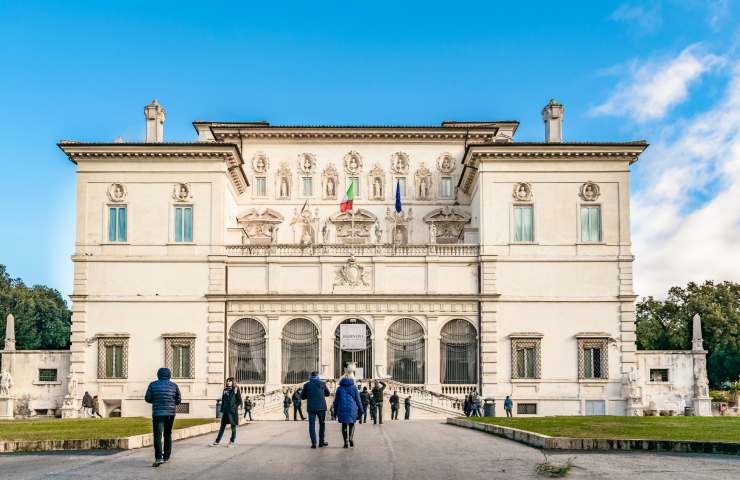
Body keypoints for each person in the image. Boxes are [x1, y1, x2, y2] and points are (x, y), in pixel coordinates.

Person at [144, 368, 181, 468]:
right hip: (170, 413)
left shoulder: (152, 384)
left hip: (158, 413)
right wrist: (171, 403)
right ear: (169, 375)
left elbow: (147, 398)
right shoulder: (174, 385)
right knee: (168, 434)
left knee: (157, 436)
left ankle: (158, 458)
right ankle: (166, 457)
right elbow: (178, 400)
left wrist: (155, 401)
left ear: (158, 375)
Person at [301, 371, 331, 449]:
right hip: (321, 407)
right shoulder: (322, 383)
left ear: (310, 376)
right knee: (322, 424)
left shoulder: (307, 385)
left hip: (311, 407)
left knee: (311, 425)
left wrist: (309, 395)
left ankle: (314, 443)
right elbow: (328, 394)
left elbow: (302, 396)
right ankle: (321, 442)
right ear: (318, 376)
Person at [210, 377, 242, 447]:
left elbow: (239, 400)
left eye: (230, 381)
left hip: (232, 412)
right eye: (227, 381)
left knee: (233, 427)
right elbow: (223, 400)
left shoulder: (236, 389)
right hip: (225, 411)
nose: (228, 382)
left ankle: (232, 442)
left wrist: (234, 406)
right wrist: (222, 409)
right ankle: (217, 441)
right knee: (222, 427)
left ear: (233, 382)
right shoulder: (225, 390)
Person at [333, 375, 364, 448]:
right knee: (352, 424)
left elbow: (336, 401)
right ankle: (350, 438)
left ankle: (346, 442)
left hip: (342, 408)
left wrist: (335, 413)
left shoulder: (339, 388)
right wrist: (361, 410)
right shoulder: (354, 388)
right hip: (352, 408)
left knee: (344, 425)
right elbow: (358, 400)